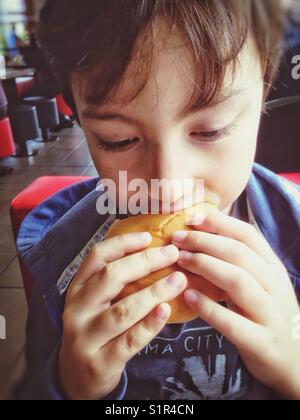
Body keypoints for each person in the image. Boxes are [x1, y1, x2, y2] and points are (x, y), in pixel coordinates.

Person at [15, 0, 300, 400]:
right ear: (79, 118)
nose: (167, 185)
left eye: (210, 131)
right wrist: (70, 385)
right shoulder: (62, 263)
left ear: (265, 88)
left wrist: (293, 369)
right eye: (120, 140)